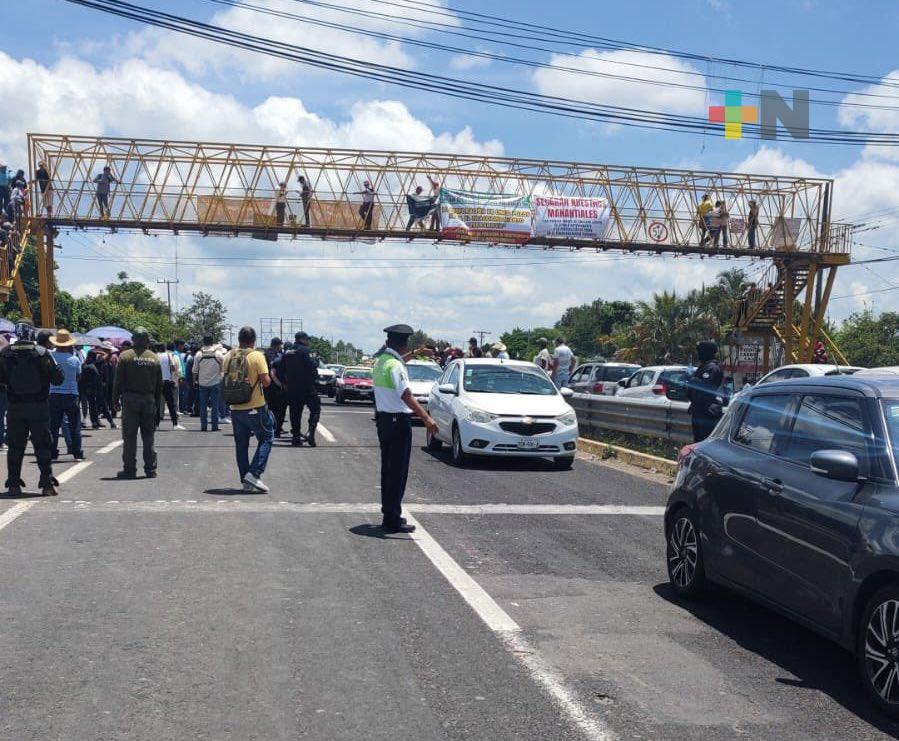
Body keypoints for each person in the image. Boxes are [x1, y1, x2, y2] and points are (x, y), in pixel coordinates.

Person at [372, 324, 439, 534]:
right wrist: (427, 418)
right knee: (398, 471)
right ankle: (392, 518)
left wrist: (417, 352)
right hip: (397, 422)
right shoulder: (395, 366)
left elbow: (400, 362)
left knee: (389, 469)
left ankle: (389, 512)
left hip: (384, 420)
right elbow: (406, 395)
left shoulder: (382, 361)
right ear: (403, 343)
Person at [0, 333, 65, 496]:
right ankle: (47, 483)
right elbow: (58, 379)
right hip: (39, 406)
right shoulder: (42, 352)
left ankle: (13, 484)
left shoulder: (5, 353)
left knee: (15, 446)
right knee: (43, 444)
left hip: (15, 406)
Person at [222, 326, 273, 492]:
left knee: (241, 445)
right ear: (253, 341)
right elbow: (266, 382)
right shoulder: (257, 356)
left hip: (235, 407)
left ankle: (245, 479)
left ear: (239, 339)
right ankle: (254, 473)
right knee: (266, 437)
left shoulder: (228, 355)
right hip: (255, 406)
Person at [113, 327, 163, 479]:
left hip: (130, 401)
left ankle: (130, 469)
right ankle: (150, 469)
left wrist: (114, 400)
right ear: (147, 341)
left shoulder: (125, 356)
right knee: (149, 437)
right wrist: (156, 404)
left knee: (129, 437)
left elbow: (118, 382)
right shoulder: (154, 358)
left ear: (133, 339)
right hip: (149, 401)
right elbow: (159, 385)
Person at [273, 331, 320, 447]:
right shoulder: (305, 351)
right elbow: (312, 366)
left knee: (295, 412)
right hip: (307, 387)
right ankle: (311, 431)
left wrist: (285, 383)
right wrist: (316, 363)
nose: (308, 342)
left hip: (293, 388)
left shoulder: (287, 352)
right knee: (315, 409)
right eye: (307, 339)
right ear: (303, 339)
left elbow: (280, 370)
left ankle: (295, 438)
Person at [48, 329, 84, 461]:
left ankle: (52, 452)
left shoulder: (50, 357)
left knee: (53, 426)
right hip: (71, 395)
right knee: (74, 425)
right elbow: (78, 377)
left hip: (54, 394)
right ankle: (77, 453)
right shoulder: (74, 360)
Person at [687, 340, 724, 443]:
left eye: (700, 351)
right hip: (699, 412)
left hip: (707, 413)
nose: (698, 354)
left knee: (704, 443)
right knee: (698, 442)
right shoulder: (703, 367)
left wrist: (692, 381)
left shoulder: (712, 368)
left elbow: (703, 389)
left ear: (706, 352)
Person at [193, 335, 225, 432]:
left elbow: (194, 370)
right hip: (215, 383)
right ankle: (215, 426)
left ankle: (204, 426)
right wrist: (221, 378)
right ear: (212, 342)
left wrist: (194, 381)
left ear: (203, 342)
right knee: (215, 406)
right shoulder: (218, 354)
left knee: (203, 406)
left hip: (202, 383)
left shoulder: (199, 354)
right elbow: (223, 369)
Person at [263, 337, 288, 437]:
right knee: (272, 408)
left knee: (276, 408)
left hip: (274, 385)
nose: (280, 348)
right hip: (271, 385)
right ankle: (272, 427)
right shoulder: (269, 354)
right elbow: (273, 368)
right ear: (275, 346)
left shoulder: (276, 353)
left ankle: (276, 427)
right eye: (279, 346)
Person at [155, 342, 182, 429]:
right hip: (167, 381)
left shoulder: (154, 356)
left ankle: (156, 424)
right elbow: (173, 368)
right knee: (171, 404)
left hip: (157, 382)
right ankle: (175, 424)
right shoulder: (168, 355)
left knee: (157, 404)